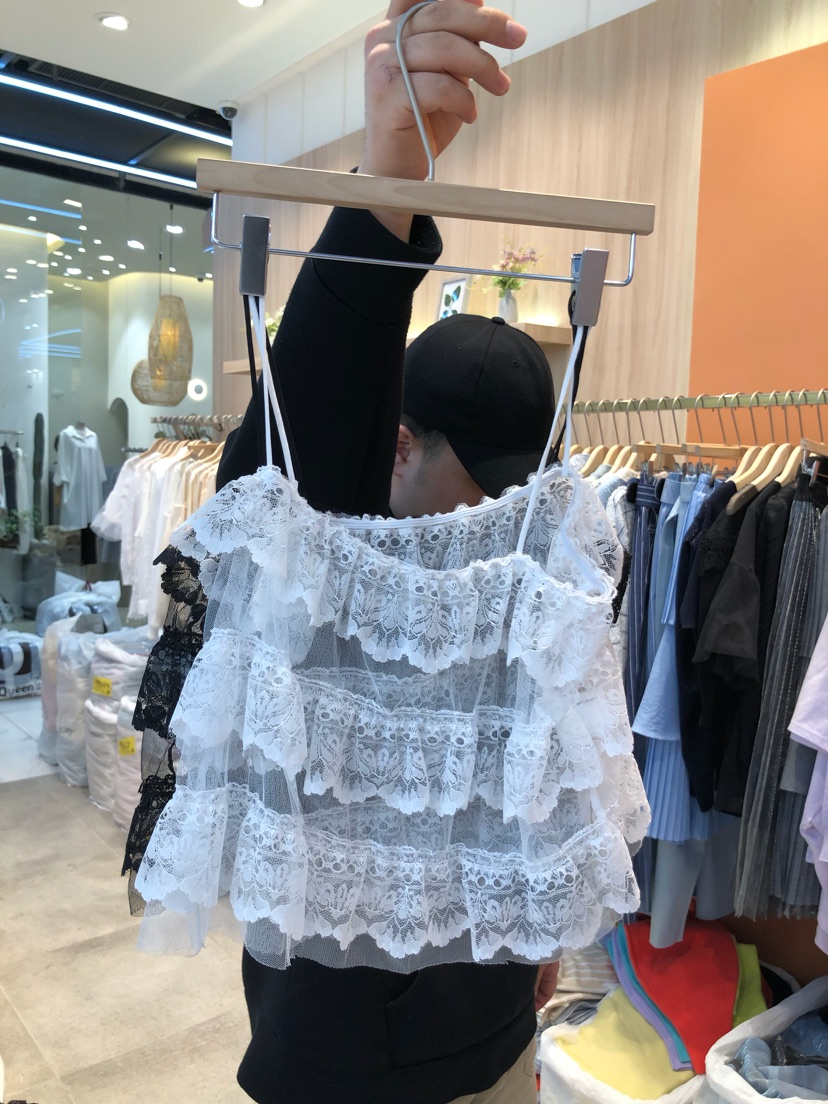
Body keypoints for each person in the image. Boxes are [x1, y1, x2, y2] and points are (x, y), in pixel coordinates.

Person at [213, 2, 562, 1100]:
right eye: (489, 483)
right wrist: (386, 186)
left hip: (499, 1024)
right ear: (404, 443)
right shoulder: (320, 551)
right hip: (345, 1056)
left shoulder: (521, 570)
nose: (506, 513)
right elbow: (275, 470)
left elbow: (541, 766)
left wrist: (543, 919)